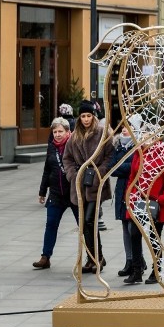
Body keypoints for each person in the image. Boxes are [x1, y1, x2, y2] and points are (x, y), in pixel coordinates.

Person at [63, 100, 114, 273]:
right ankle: (94, 259)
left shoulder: (102, 133)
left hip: (95, 184)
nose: (85, 119)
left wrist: (99, 173)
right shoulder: (74, 135)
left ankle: (96, 258)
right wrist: (71, 175)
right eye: (83, 116)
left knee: (89, 221)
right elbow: (67, 158)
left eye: (88, 116)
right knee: (85, 225)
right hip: (78, 184)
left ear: (93, 116)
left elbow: (109, 156)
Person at [124, 136, 164, 284]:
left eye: (150, 136)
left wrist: (162, 199)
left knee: (154, 237)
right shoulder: (138, 152)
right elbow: (132, 177)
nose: (146, 140)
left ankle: (156, 271)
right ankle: (137, 270)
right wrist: (130, 195)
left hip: (156, 204)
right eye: (143, 137)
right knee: (134, 233)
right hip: (139, 202)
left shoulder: (163, 153)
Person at [33, 117, 78, 270]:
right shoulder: (51, 147)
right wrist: (42, 191)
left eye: (60, 131)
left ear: (68, 132)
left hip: (73, 193)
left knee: (85, 226)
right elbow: (47, 169)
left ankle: (95, 257)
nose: (57, 134)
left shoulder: (74, 145)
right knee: (51, 225)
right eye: (55, 132)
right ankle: (45, 257)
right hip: (56, 194)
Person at [109, 115, 140, 277]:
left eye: (128, 127)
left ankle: (137, 260)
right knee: (124, 227)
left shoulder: (138, 147)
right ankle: (130, 260)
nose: (123, 130)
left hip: (134, 190)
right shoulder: (118, 147)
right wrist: (125, 167)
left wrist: (123, 167)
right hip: (121, 190)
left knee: (132, 227)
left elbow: (137, 167)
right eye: (122, 127)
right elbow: (111, 168)